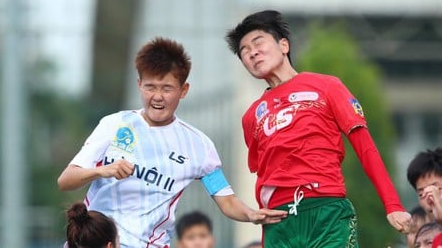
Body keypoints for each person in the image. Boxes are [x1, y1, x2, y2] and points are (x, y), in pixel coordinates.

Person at [57, 37, 286, 248]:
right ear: (139, 84)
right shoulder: (114, 124)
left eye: (166, 88)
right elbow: (66, 180)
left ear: (183, 90)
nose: (157, 97)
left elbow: (226, 200)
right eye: (150, 87)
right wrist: (103, 171)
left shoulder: (198, 145)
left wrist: (251, 215)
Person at [224, 10, 412, 247]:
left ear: (284, 45)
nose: (252, 53)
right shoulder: (251, 117)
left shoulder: (327, 86)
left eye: (258, 43)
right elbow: (264, 179)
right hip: (279, 222)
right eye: (244, 52)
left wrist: (392, 204)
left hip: (327, 212)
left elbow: (365, 147)